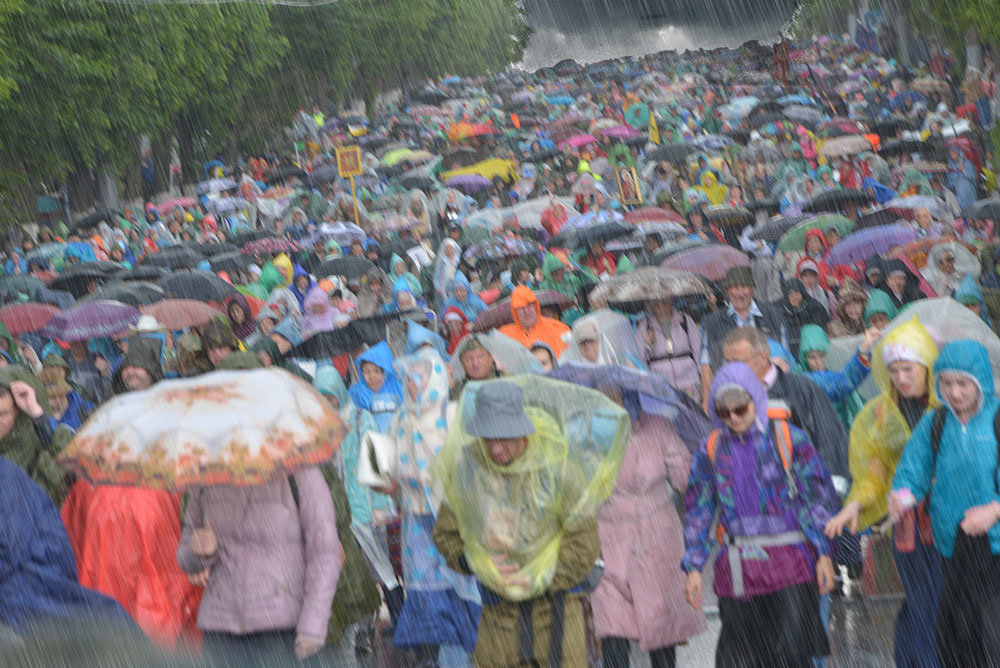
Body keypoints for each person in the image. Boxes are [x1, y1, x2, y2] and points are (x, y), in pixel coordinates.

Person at [433, 379, 622, 668]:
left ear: (523, 430)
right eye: (488, 438)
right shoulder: (469, 470)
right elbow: (446, 535)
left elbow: (584, 543)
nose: (496, 449)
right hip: (497, 618)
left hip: (556, 613)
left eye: (504, 438)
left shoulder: (558, 467)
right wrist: (477, 564)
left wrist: (540, 579)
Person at [682, 362, 838, 667]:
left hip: (790, 567)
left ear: (756, 398)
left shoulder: (790, 439)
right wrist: (693, 565)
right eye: (724, 412)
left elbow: (817, 496)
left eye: (741, 408)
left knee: (793, 659)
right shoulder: (710, 449)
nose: (734, 418)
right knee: (740, 660)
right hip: (739, 571)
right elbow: (698, 508)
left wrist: (823, 552)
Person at [61, 338, 202, 649]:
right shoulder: (109, 408)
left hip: (155, 512)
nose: (132, 373)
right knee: (112, 585)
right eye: (129, 368)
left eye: (139, 367)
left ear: (152, 371)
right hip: (111, 515)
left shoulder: (170, 409)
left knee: (155, 589)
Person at [825, 318, 941, 668]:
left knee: (940, 605)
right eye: (893, 370)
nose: (901, 378)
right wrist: (855, 505)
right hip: (910, 529)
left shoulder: (951, 404)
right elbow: (873, 475)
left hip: (953, 524)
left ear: (927, 366)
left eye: (908, 368)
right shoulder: (880, 414)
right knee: (924, 602)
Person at [889, 339, 1000, 668]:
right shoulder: (936, 422)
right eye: (947, 383)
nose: (954, 393)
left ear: (980, 380)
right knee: (954, 635)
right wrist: (903, 495)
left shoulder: (996, 420)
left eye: (963, 383)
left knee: (992, 635)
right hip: (951, 544)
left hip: (995, 548)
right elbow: (914, 467)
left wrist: (994, 510)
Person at [591, 386, 706, 668]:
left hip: (657, 538)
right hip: (608, 538)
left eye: (615, 396)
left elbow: (686, 478)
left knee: (661, 625)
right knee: (611, 623)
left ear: (629, 396)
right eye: (601, 396)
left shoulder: (657, 426)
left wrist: (704, 483)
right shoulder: (587, 435)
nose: (609, 402)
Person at [699, 266, 788, 409]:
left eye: (744, 286)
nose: (740, 293)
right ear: (727, 290)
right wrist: (706, 399)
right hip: (731, 398)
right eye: (734, 287)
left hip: (771, 394)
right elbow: (706, 364)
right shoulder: (712, 323)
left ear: (753, 288)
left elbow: (785, 360)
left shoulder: (773, 316)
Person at [0, 367, 72, 503]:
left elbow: (70, 463)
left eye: (2, 414)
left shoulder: (35, 444)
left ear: (17, 411)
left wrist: (36, 412)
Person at [635, 298, 702, 399]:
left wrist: (704, 377)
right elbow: (639, 359)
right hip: (661, 386)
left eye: (664, 303)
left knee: (693, 413)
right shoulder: (645, 326)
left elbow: (698, 350)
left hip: (689, 381)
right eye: (657, 305)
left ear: (671, 302)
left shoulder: (684, 319)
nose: (661, 308)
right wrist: (648, 344)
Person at [499, 285, 571, 357]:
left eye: (529, 305)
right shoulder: (504, 336)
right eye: (521, 308)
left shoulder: (560, 329)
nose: (527, 312)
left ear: (536, 305)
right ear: (514, 312)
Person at [348, 341, 404, 433]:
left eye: (376, 371)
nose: (372, 377)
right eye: (366, 372)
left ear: (385, 372)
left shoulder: (398, 387)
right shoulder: (357, 392)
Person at [775, 277, 830, 358]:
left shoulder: (815, 307)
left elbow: (821, 330)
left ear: (802, 292)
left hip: (812, 351)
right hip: (789, 353)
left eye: (797, 293)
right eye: (790, 295)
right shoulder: (780, 310)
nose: (795, 297)